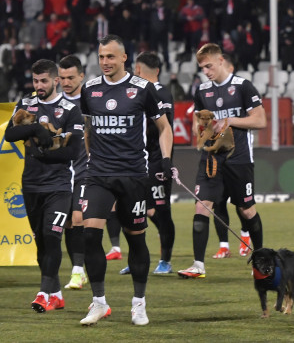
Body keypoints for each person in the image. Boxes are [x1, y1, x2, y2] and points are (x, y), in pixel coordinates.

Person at [79, 34, 173, 326]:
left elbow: (164, 127)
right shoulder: (90, 89)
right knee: (90, 234)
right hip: (98, 174)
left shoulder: (143, 89)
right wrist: (93, 158)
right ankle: (98, 303)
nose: (105, 62)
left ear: (124, 58)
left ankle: (139, 304)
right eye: (101, 56)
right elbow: (87, 129)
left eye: (110, 56)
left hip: (133, 175)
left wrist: (167, 160)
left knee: (136, 239)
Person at [177, 43, 266, 279]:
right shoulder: (202, 91)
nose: (205, 71)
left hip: (239, 160)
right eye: (202, 68)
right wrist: (202, 129)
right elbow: (200, 122)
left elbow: (260, 120)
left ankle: (260, 260)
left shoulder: (242, 86)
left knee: (246, 210)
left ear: (220, 61)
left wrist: (229, 120)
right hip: (211, 159)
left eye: (208, 66)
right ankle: (198, 265)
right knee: (201, 206)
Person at [5, 59, 84, 312]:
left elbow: (72, 151)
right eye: (35, 81)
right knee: (41, 242)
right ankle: (57, 294)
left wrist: (41, 152)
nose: (38, 86)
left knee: (52, 238)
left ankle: (43, 294)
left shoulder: (70, 108)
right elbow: (10, 134)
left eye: (44, 81)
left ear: (56, 81)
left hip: (59, 186)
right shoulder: (26, 104)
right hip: (30, 185)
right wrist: (38, 130)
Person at [118, 51, 177, 275]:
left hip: (155, 160)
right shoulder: (137, 92)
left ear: (139, 70)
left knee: (161, 211)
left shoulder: (161, 92)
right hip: (135, 162)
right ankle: (137, 259)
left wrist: (165, 161)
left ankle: (165, 261)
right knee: (133, 210)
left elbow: (165, 126)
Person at [211, 53, 252, 259]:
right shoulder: (208, 92)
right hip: (217, 156)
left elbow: (256, 118)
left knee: (242, 203)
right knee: (218, 202)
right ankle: (223, 244)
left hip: (240, 156)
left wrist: (231, 120)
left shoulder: (242, 89)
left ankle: (245, 236)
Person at [57, 55, 88, 290]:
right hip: (62, 172)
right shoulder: (55, 104)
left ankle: (78, 271)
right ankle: (79, 269)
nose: (66, 82)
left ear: (81, 76)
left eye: (71, 77)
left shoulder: (92, 102)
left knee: (78, 218)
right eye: (62, 78)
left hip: (87, 169)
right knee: (68, 223)